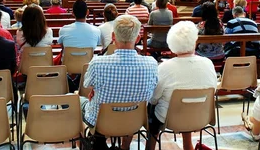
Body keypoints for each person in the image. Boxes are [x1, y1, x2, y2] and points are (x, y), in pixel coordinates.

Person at [81, 15, 158, 150]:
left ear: (113, 36)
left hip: (101, 122)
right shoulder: (151, 63)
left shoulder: (97, 63)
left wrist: (96, 89)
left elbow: (87, 85)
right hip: (134, 121)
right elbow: (152, 90)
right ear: (138, 38)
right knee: (131, 98)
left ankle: (90, 142)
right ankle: (123, 146)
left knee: (78, 101)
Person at [146, 21, 217, 150]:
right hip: (201, 116)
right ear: (195, 41)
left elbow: (154, 98)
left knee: (152, 109)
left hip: (171, 119)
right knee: (188, 102)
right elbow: (214, 90)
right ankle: (187, 146)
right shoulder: (208, 63)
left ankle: (150, 147)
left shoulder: (164, 68)